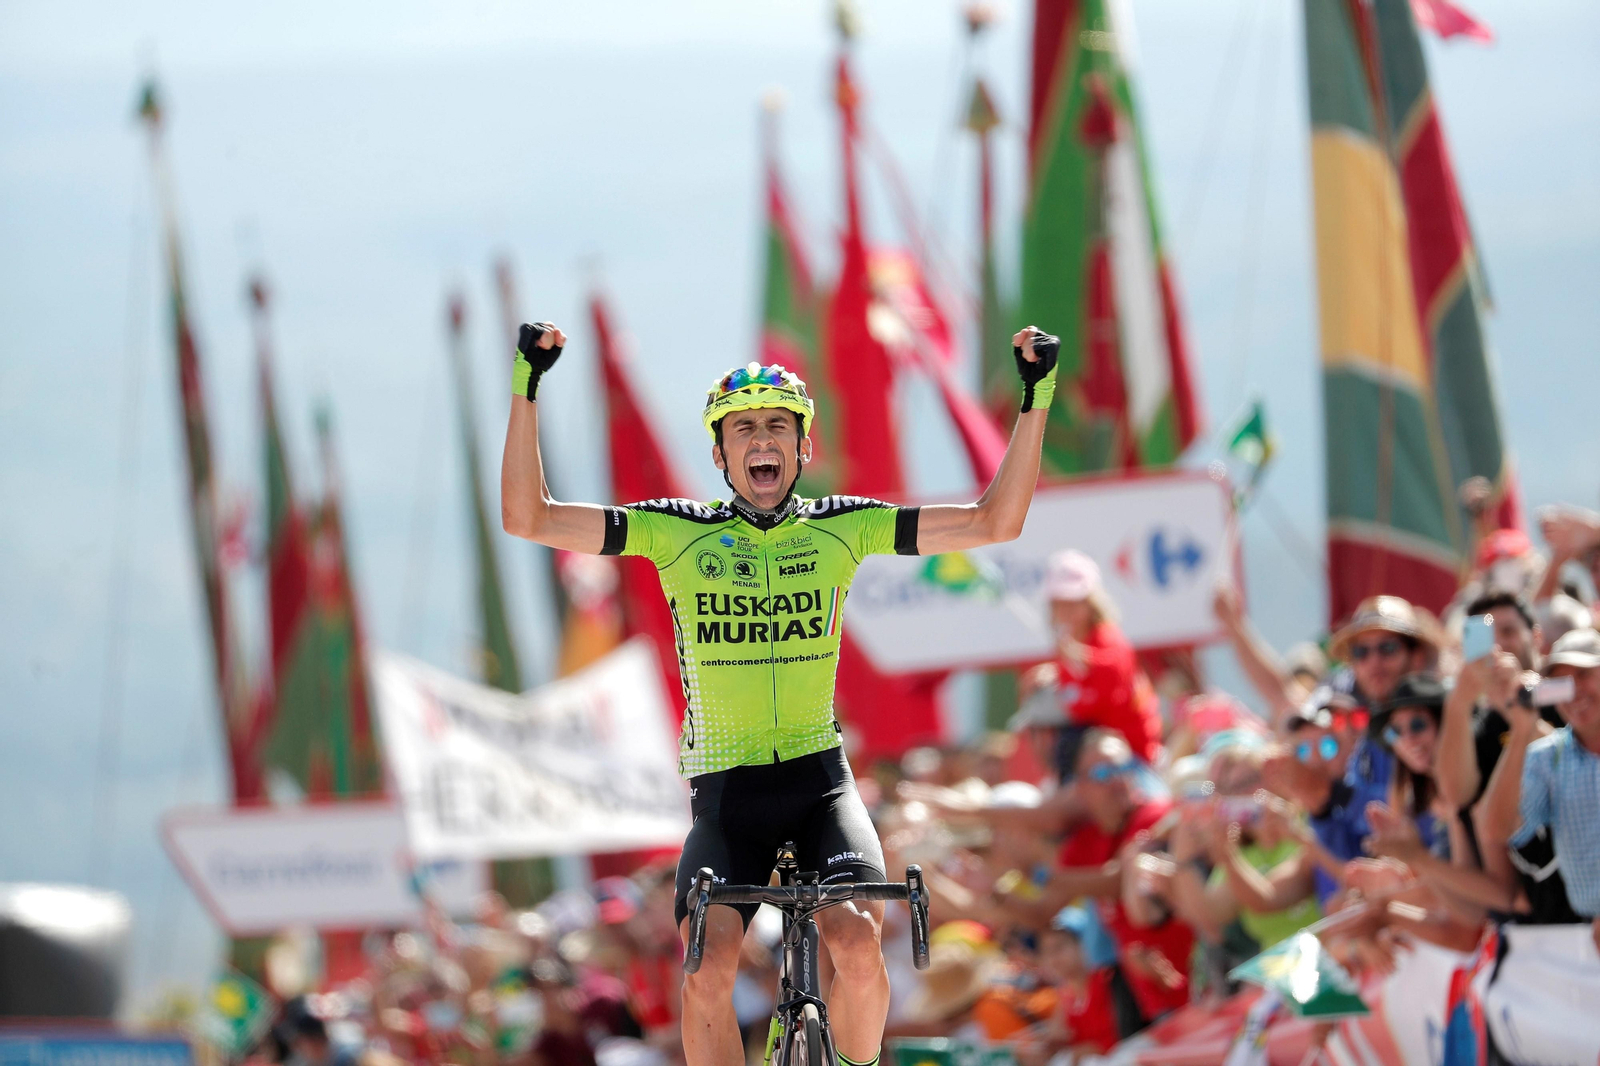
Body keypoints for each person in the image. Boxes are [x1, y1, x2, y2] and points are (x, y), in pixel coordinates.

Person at [500, 320, 1061, 1066]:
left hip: (819, 785)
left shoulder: (843, 527)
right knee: (707, 967)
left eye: (777, 427)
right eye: (743, 428)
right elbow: (528, 516)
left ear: (803, 448)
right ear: (720, 454)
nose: (761, 440)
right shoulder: (677, 532)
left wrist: (1036, 396)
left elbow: (996, 520)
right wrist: (527, 385)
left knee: (855, 939)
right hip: (727, 796)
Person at [1021, 550, 1163, 765]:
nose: (1065, 610)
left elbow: (1105, 688)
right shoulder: (1069, 646)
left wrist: (1077, 659)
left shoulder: (1109, 638)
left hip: (1132, 757)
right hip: (1099, 756)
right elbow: (1077, 700)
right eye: (1058, 603)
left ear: (1090, 603)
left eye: (1073, 601)